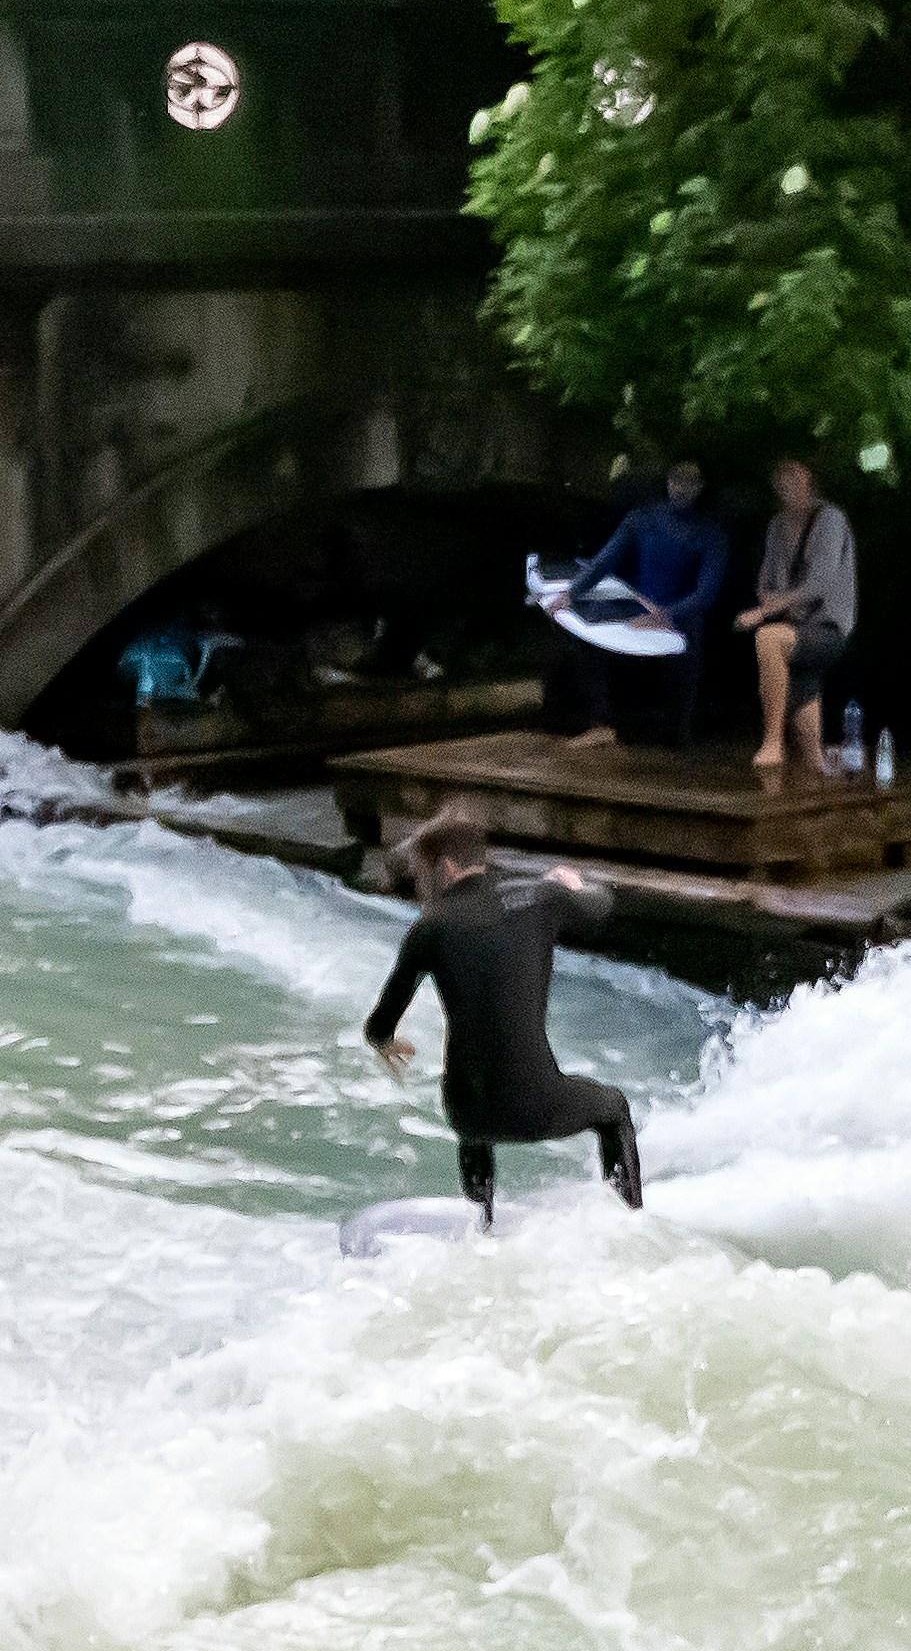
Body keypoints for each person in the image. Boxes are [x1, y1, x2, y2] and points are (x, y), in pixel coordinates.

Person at [364, 805, 645, 1227]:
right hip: (537, 1103)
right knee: (614, 1108)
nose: (419, 883)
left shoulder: (429, 928)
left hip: (468, 1113)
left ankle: (483, 1223)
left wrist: (385, 1044)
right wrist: (572, 885)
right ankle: (629, 1224)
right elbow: (601, 907)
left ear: (445, 864)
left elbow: (379, 1024)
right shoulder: (540, 898)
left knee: (472, 1117)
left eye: (421, 872)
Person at [542, 461, 730, 753]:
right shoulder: (643, 518)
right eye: (677, 481)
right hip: (638, 605)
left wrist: (666, 615)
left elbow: (705, 593)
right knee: (577, 631)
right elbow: (604, 561)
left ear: (700, 488)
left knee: (693, 631)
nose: (681, 489)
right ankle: (600, 723)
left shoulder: (709, 533)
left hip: (679, 612)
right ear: (668, 482)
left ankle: (677, 733)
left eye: (689, 483)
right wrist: (572, 593)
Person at [737, 454, 858, 779]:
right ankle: (816, 780)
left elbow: (819, 583)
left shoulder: (829, 518)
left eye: (794, 473)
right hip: (796, 629)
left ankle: (772, 741)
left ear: (809, 478)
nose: (786, 481)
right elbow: (773, 579)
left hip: (829, 628)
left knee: (767, 637)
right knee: (809, 743)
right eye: (780, 475)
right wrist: (766, 595)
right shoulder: (776, 526)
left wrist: (764, 611)